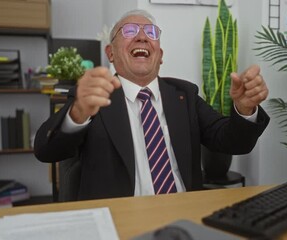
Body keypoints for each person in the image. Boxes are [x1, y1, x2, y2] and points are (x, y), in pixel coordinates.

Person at [34, 9, 270, 200]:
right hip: (120, 219)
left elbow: (231, 141)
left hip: (183, 218)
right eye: (129, 30)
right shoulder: (93, 98)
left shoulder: (185, 95)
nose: (141, 36)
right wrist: (77, 113)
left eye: (150, 32)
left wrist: (245, 109)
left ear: (160, 54)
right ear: (111, 53)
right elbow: (46, 151)